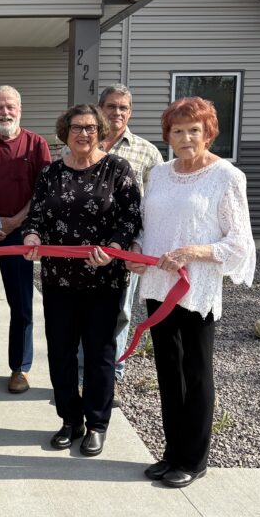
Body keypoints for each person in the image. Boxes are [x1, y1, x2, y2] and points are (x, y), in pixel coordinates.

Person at [128, 97, 255, 488]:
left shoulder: (226, 177)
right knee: (168, 370)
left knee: (195, 372)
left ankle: (194, 459)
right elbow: (150, 227)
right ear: (168, 135)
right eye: (177, 131)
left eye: (193, 130)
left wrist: (191, 252)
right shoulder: (161, 174)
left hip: (195, 289)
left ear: (208, 132)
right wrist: (136, 253)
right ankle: (172, 453)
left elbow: (239, 244)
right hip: (158, 285)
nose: (185, 138)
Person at [24, 104, 141, 458]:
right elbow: (37, 216)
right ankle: (69, 420)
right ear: (66, 131)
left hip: (103, 280)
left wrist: (115, 247)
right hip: (59, 279)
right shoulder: (50, 173)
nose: (84, 134)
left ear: (101, 130)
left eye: (91, 128)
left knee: (99, 355)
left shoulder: (117, 169)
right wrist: (31, 237)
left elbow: (131, 217)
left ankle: (97, 423)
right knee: (60, 354)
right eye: (77, 127)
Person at [72, 84, 163, 399]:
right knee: (82, 312)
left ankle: (112, 374)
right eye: (111, 106)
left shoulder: (148, 152)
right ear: (100, 109)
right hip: (81, 247)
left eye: (124, 108)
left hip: (125, 246)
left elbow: (154, 206)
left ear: (130, 112)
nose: (117, 113)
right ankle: (83, 374)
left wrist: (140, 246)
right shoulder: (78, 145)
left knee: (119, 312)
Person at [0, 85, 51, 394]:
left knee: (21, 305)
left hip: (21, 235)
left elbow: (43, 192)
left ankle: (20, 368)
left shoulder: (36, 144)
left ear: (19, 109)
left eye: (10, 107)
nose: (4, 112)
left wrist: (16, 220)